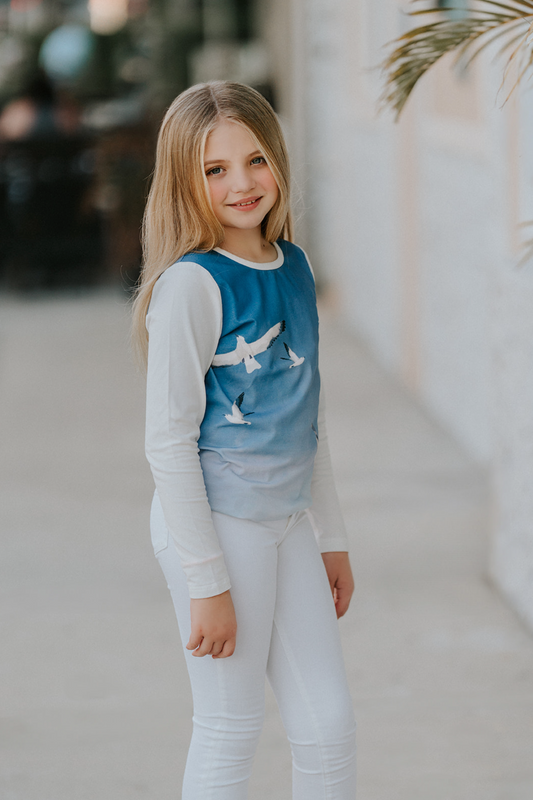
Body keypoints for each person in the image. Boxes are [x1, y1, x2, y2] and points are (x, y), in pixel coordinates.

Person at [132, 80, 356, 800]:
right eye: (214, 169)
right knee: (229, 727)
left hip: (286, 520)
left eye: (255, 159)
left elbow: (305, 417)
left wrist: (331, 536)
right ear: (184, 182)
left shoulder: (294, 266)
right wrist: (209, 582)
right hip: (218, 528)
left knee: (327, 726)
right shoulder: (191, 287)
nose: (241, 184)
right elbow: (167, 441)